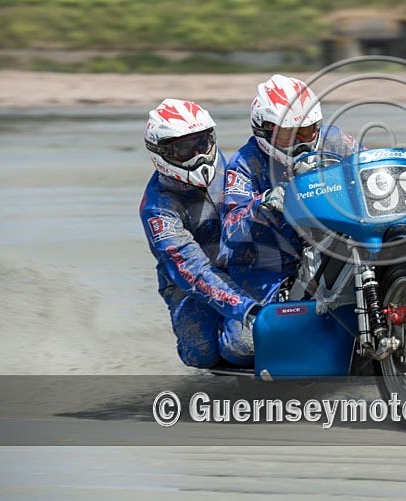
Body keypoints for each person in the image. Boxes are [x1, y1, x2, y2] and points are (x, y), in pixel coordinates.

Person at [218, 74, 362, 365]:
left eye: (306, 131)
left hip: (334, 237)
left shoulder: (335, 139)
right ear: (265, 130)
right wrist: (264, 204)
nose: (299, 142)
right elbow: (231, 228)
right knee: (243, 345)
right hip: (269, 262)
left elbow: (367, 164)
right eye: (287, 134)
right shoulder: (245, 164)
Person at [140, 98, 257, 368]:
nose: (197, 155)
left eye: (201, 144)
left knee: (243, 343)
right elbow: (190, 269)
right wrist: (244, 308)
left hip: (248, 263)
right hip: (189, 283)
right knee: (201, 352)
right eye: (184, 148)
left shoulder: (234, 167)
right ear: (161, 153)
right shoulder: (158, 208)